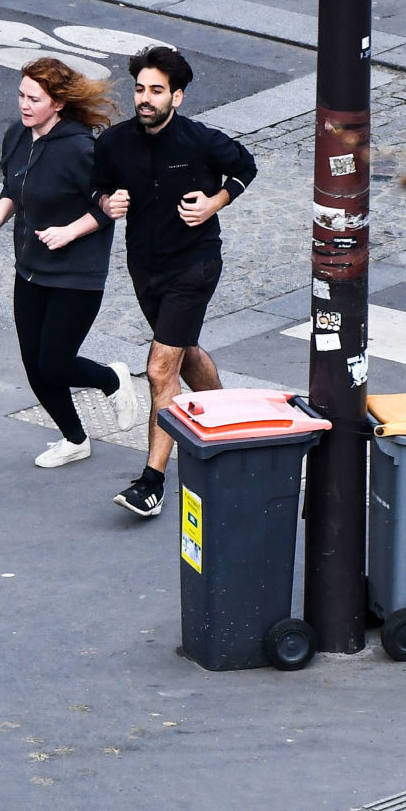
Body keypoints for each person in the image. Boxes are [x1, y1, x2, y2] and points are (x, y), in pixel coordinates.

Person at [92, 46, 258, 518]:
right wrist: (106, 204)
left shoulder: (201, 141)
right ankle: (231, 427)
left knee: (161, 367)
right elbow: (94, 183)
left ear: (177, 97)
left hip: (195, 263)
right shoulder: (114, 143)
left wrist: (215, 202)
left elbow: (246, 167)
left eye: (156, 91)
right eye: (141, 89)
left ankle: (152, 482)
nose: (145, 99)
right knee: (184, 351)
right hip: (145, 266)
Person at [0, 57, 137, 468]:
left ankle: (111, 378)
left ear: (58, 103)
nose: (24, 105)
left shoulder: (82, 149)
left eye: (34, 98)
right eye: (21, 95)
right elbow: (15, 187)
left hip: (76, 274)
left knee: (55, 362)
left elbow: (109, 207)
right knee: (35, 365)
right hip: (30, 268)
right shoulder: (17, 136)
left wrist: (69, 231)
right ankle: (74, 438)